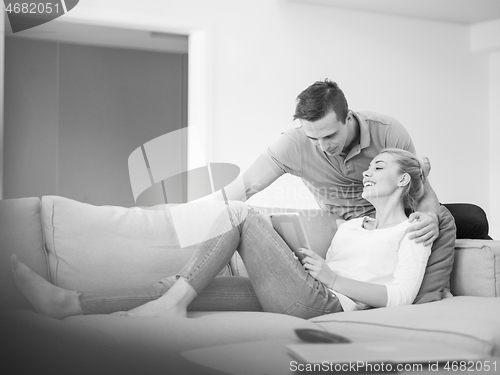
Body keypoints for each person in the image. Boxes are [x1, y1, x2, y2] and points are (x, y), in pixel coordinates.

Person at [12, 148, 432, 320]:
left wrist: (332, 279)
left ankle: (171, 307)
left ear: (402, 182)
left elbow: (401, 296)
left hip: (329, 304)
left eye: (379, 167)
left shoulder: (415, 229)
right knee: (186, 284)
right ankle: (68, 302)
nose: (368, 171)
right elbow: (328, 267)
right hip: (306, 288)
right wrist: (298, 256)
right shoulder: (352, 222)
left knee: (240, 212)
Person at [215, 79, 490, 240]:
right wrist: (193, 216)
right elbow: (247, 185)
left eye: (330, 136)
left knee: (475, 219)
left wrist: (429, 216)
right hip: (356, 229)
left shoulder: (388, 131)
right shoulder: (293, 142)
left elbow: (420, 190)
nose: (323, 146)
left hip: (400, 217)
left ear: (347, 117)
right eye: (314, 139)